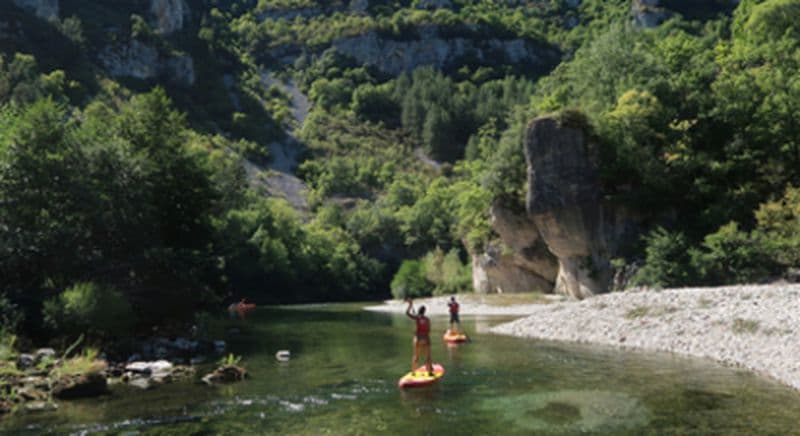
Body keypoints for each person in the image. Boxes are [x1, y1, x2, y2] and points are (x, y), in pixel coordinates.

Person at [406, 299, 433, 376]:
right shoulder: (427, 319)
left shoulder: (417, 318)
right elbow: (428, 330)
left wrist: (410, 305)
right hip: (426, 338)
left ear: (419, 311)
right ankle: (430, 372)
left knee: (416, 357)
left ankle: (413, 372)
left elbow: (407, 313)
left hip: (418, 339)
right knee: (428, 357)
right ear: (424, 311)